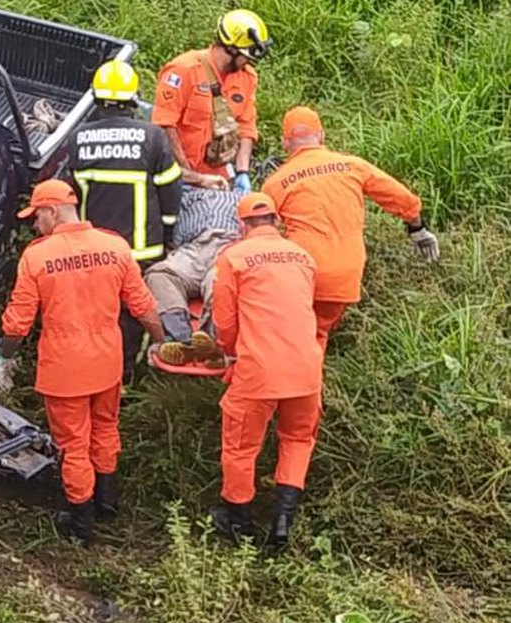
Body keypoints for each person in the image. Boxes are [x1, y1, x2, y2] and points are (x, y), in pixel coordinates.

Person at [0, 180, 165, 544]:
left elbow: (18, 322)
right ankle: (108, 500)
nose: (35, 225)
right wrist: (163, 342)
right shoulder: (114, 246)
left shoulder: (37, 257)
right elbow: (144, 305)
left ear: (53, 211)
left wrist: (3, 356)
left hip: (65, 369)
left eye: (37, 216)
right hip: (107, 363)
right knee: (105, 429)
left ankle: (81, 523)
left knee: (72, 445)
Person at [262, 106, 441, 350]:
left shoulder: (274, 184)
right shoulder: (352, 165)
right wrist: (417, 229)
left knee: (291, 338)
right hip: (344, 276)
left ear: (285, 143)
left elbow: (260, 232)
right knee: (315, 335)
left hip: (302, 273)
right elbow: (403, 199)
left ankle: (294, 378)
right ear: (322, 135)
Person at [208, 193, 323, 547]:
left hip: (258, 371)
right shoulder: (304, 257)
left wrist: (227, 354)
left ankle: (238, 522)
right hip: (307, 368)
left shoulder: (234, 257)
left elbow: (225, 323)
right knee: (298, 439)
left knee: (241, 447)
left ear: (242, 225)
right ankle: (283, 521)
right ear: (276, 221)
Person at [63, 60, 183, 377]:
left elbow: (69, 194)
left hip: (92, 251)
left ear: (97, 98)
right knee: (137, 312)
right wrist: (169, 234)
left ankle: (94, 369)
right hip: (140, 250)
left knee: (97, 312)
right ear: (133, 99)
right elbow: (171, 191)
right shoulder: (153, 137)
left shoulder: (78, 139)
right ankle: (129, 374)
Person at [151, 9, 273, 195]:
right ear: (231, 49)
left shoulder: (247, 78)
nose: (249, 63)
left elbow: (247, 127)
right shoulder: (184, 70)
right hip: (180, 175)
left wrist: (242, 171)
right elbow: (164, 125)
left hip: (219, 177)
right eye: (246, 57)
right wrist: (189, 176)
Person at [145, 187, 240, 366]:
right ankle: (180, 339)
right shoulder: (185, 198)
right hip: (192, 247)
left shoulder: (239, 196)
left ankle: (214, 342)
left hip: (228, 245)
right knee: (159, 274)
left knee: (221, 281)